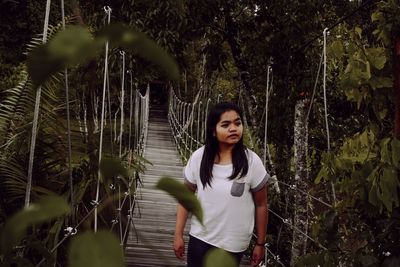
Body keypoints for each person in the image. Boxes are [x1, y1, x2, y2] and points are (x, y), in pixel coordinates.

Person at [174, 102, 269, 267]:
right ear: (213, 131)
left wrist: (260, 244)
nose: (233, 128)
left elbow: (261, 205)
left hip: (232, 245)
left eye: (237, 123)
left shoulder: (252, 161)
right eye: (225, 125)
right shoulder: (199, 158)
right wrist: (178, 234)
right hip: (200, 238)